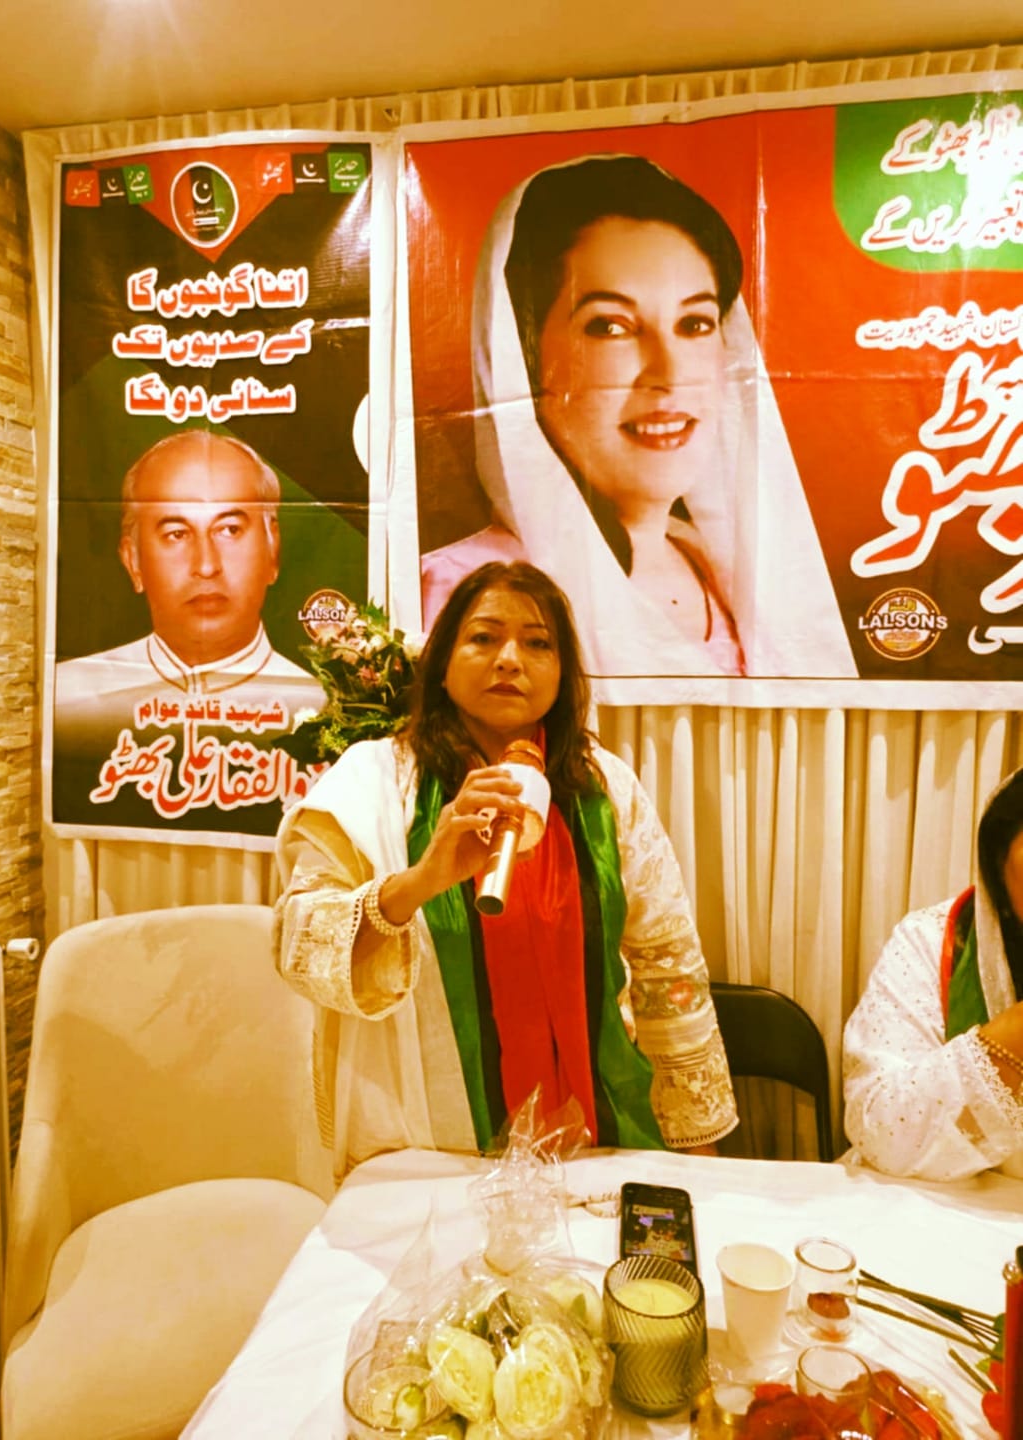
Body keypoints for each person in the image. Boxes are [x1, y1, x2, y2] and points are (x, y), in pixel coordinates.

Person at [274, 560, 737, 1180]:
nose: (510, 660)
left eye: (538, 643)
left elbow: (667, 965)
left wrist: (695, 1143)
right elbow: (300, 949)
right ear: (442, 662)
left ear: (563, 674)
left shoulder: (604, 787)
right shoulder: (373, 781)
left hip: (595, 1141)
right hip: (427, 1148)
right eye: (484, 637)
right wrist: (423, 880)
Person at [420, 154, 855, 682]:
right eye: (610, 327)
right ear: (525, 357)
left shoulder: (741, 576)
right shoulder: (462, 588)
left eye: (695, 323)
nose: (668, 374)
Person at [54, 429, 322, 739]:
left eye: (230, 530)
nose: (206, 566)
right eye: (177, 534)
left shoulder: (321, 709)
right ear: (133, 561)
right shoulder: (66, 702)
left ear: (272, 549)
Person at [843, 767, 1023, 1182]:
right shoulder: (933, 940)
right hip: (939, 1202)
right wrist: (1013, 1036)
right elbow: (881, 1131)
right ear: (999, 869)